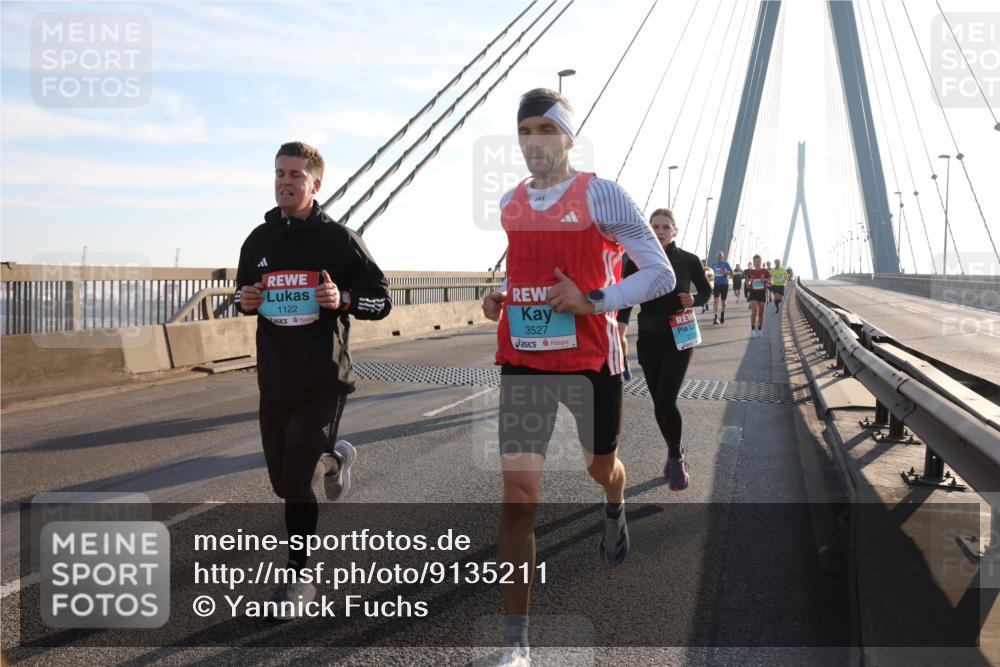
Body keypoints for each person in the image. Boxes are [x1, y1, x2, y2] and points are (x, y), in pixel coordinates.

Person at [480, 88, 674, 667]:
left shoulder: (603, 195)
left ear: (567, 134)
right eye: (524, 131)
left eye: (545, 128)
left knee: (598, 466)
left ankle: (614, 499)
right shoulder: (512, 202)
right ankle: (517, 643)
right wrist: (505, 300)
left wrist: (594, 300)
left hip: (591, 361)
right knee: (518, 498)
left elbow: (659, 275)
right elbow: (533, 275)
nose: (533, 141)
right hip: (523, 359)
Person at [235, 141, 392, 620]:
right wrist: (245, 300)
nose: (285, 181)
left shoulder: (339, 241)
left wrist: (341, 298)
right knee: (285, 486)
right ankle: (336, 456)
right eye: (280, 173)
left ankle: (298, 573)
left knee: (297, 483)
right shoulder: (257, 241)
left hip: (325, 382)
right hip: (275, 382)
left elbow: (381, 302)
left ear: (315, 184)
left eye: (295, 175)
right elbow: (243, 297)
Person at [618, 209, 710, 490]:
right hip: (648, 338)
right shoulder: (634, 259)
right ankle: (675, 451)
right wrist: (619, 337)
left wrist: (693, 299)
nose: (660, 231)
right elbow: (624, 300)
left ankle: (675, 456)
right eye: (655, 226)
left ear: (675, 231)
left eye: (666, 227)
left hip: (679, 338)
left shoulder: (689, 260)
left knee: (667, 399)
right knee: (659, 402)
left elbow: (706, 291)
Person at [744, 254, 771, 337]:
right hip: (753, 294)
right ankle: (752, 330)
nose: (757, 263)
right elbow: (747, 283)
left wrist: (765, 280)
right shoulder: (750, 271)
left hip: (762, 294)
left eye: (759, 261)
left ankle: (759, 329)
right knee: (754, 312)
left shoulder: (765, 272)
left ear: (761, 261)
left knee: (761, 314)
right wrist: (748, 283)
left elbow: (771, 283)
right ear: (753, 263)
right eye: (756, 261)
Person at [710, 250, 733, 324]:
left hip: (724, 284)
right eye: (718, 257)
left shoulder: (726, 264)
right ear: (716, 257)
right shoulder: (713, 265)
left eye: (720, 257)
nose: (719, 258)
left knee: (723, 300)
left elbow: (732, 274)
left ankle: (722, 313)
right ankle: (715, 317)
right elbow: (710, 275)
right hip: (716, 284)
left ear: (723, 257)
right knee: (716, 300)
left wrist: (725, 272)